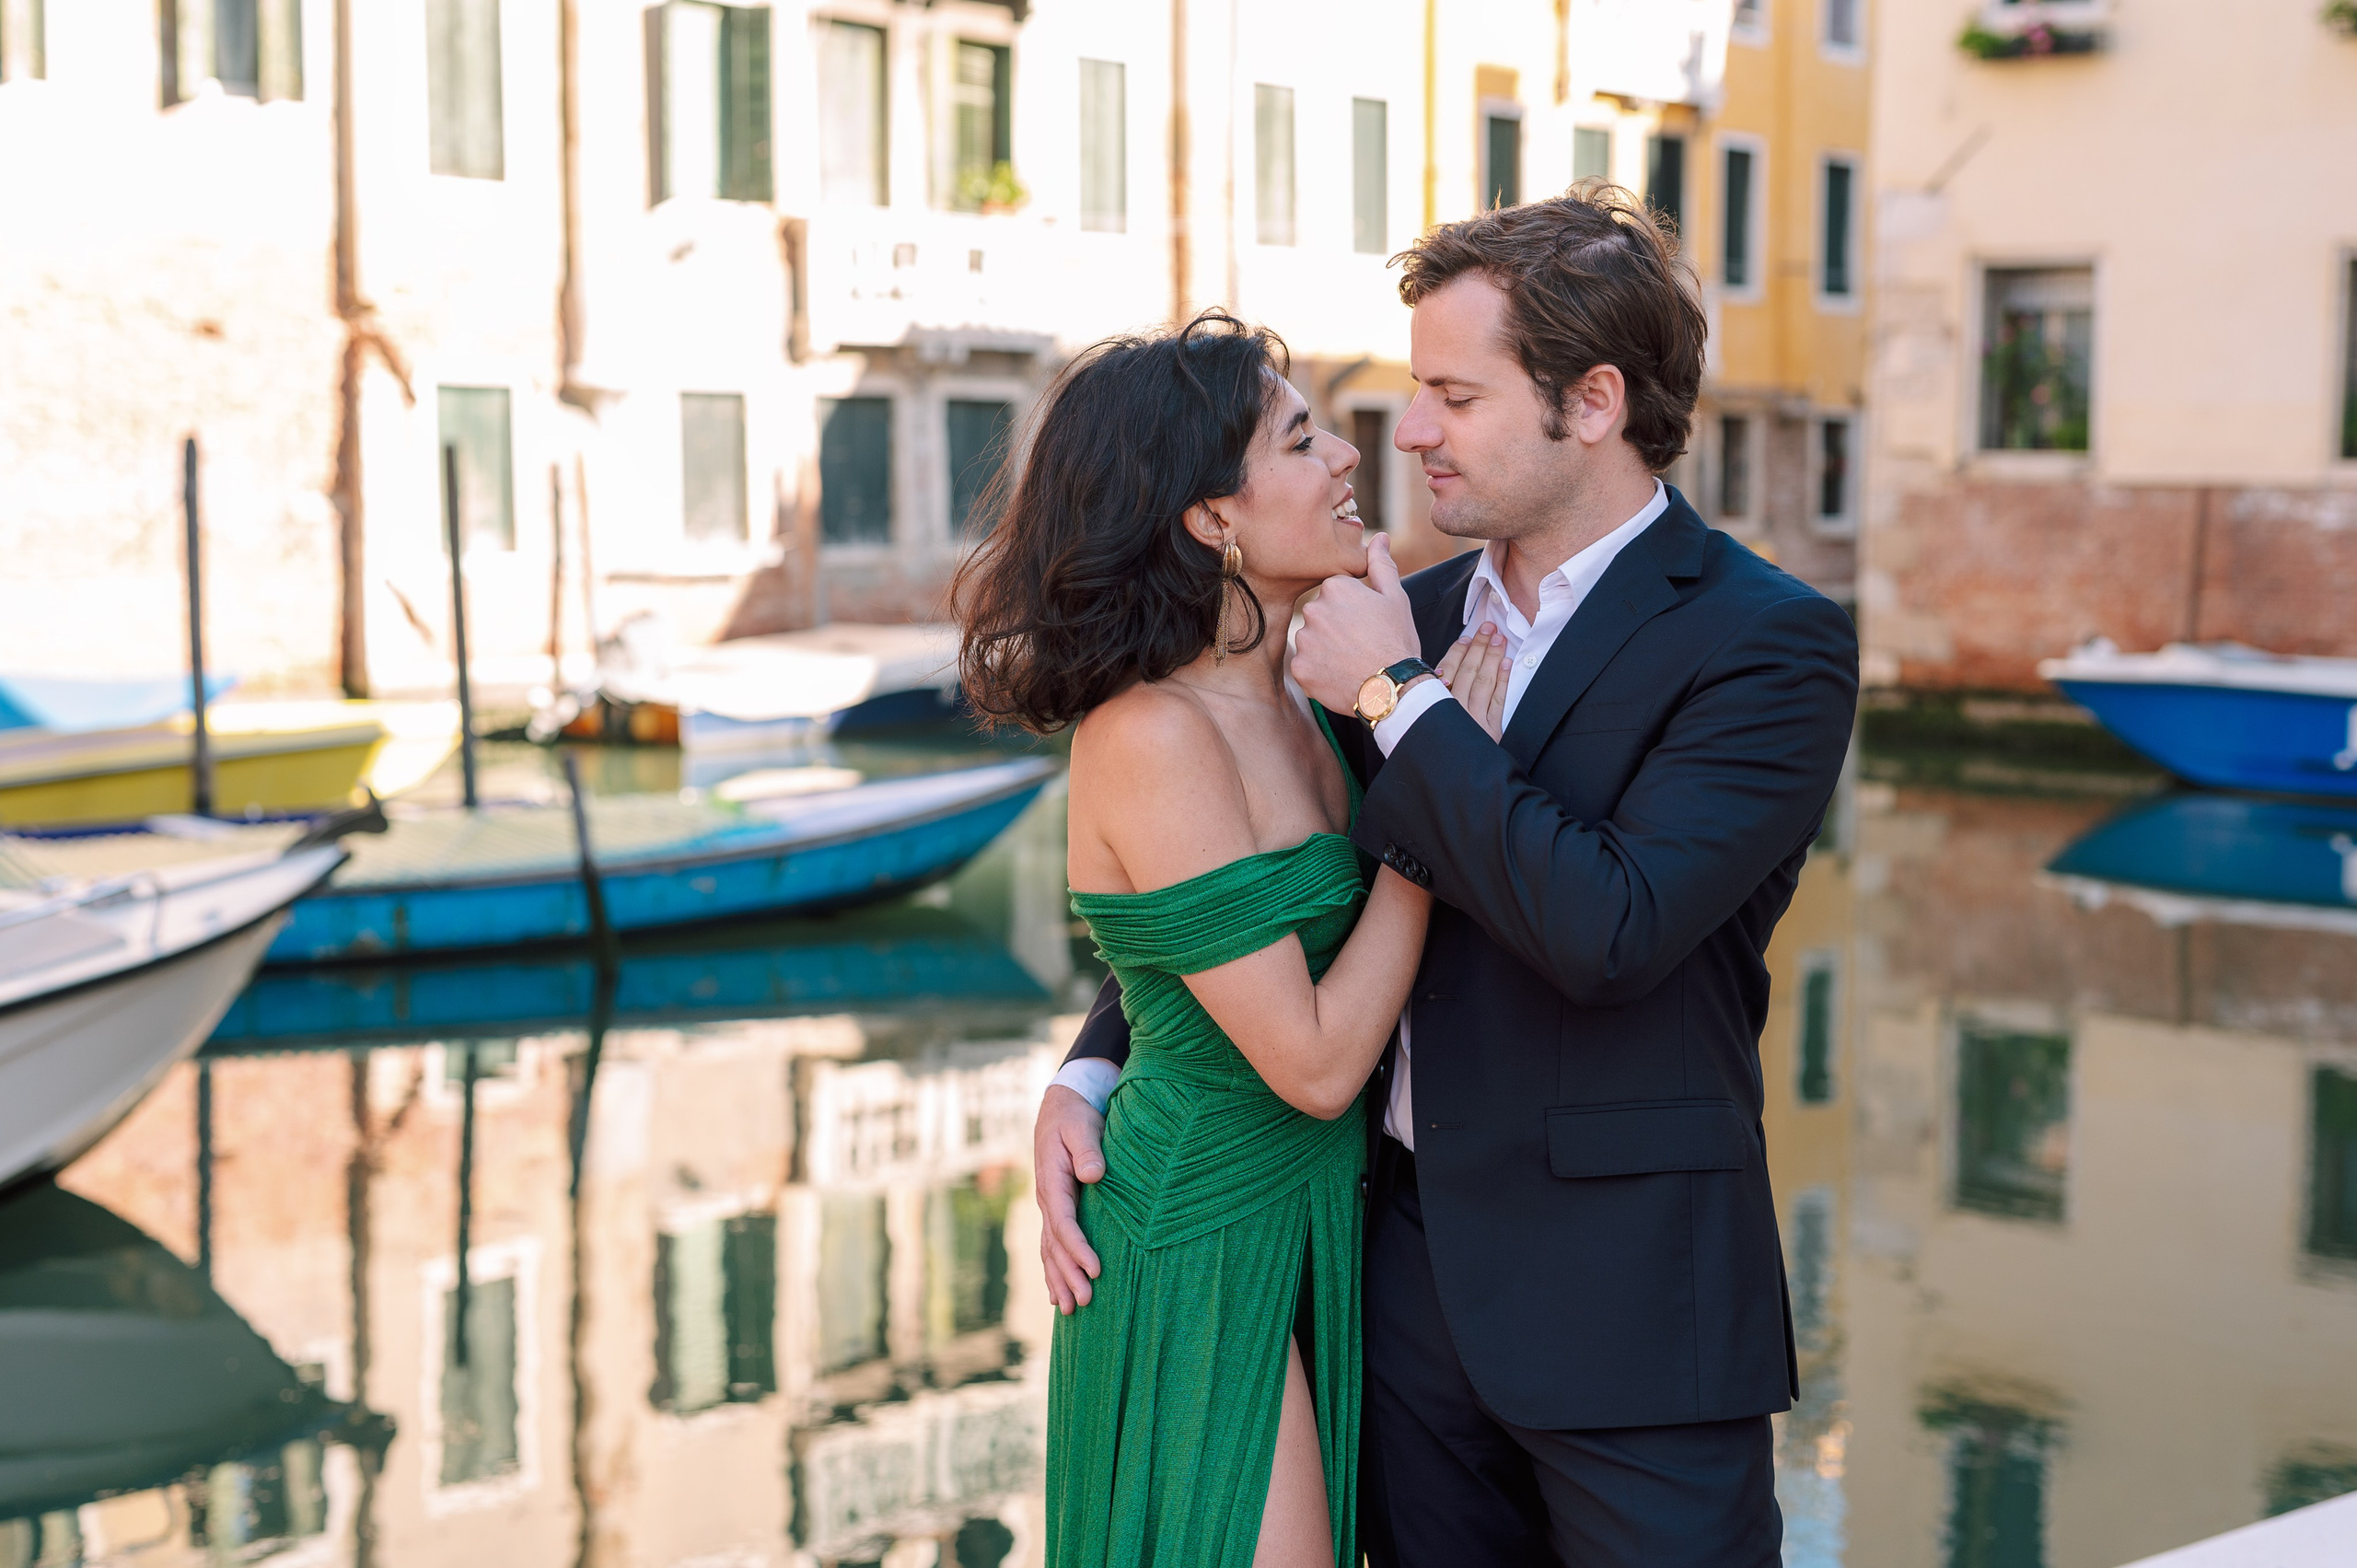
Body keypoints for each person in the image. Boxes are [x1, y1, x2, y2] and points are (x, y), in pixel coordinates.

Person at [1035, 183, 1860, 1567]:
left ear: (1591, 404)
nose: (1408, 431)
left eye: (1453, 397)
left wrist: (1404, 709)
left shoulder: (1762, 643)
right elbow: (1264, 880)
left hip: (1633, 1318)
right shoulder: (1393, 618)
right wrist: (1094, 1067)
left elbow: (1616, 925)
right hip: (1392, 1291)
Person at [956, 310, 1513, 1568]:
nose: (1347, 459)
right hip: (1195, 1236)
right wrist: (1434, 799)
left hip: (1320, 1216)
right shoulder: (1151, 736)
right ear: (1212, 519)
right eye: (1304, 438)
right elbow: (1313, 1064)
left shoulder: (1310, 690)